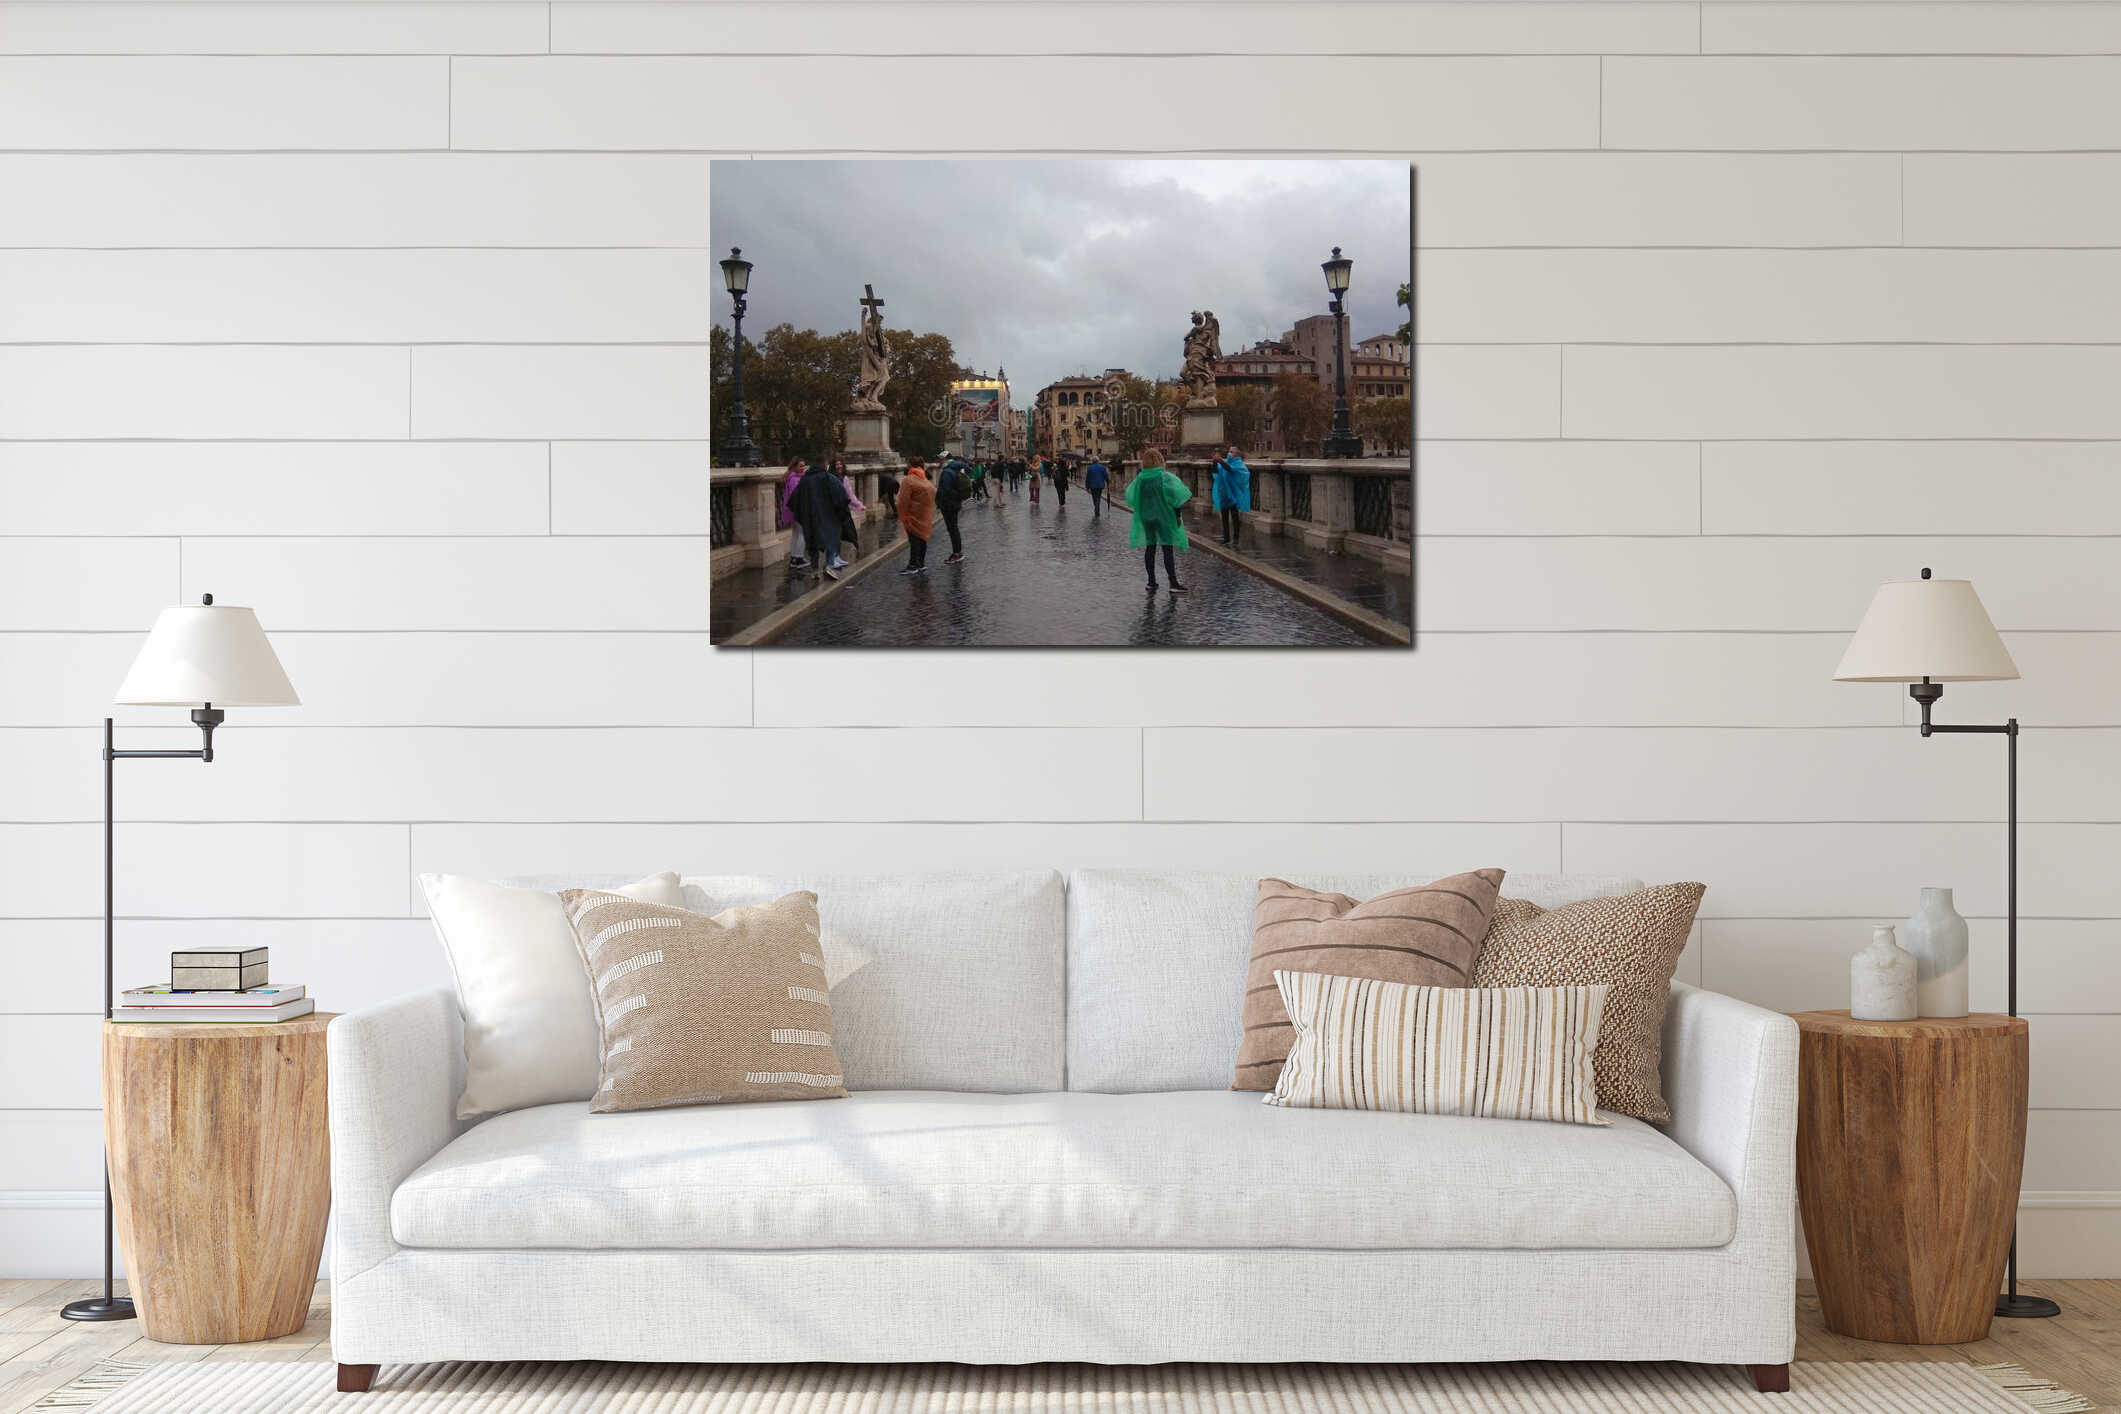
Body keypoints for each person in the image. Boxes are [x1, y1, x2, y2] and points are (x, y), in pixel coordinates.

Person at [1125, 447, 1192, 593]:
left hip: (1146, 517)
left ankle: (1151, 582)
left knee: (1150, 547)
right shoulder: (1164, 476)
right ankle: (1173, 583)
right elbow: (1176, 497)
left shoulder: (1140, 478)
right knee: (1167, 548)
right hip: (1164, 516)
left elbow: (1131, 496)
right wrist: (1178, 515)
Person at [789, 459, 853, 581]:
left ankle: (814, 570)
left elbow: (794, 500)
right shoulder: (829, 478)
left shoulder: (805, 480)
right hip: (828, 516)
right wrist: (840, 512)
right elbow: (842, 496)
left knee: (813, 543)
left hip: (810, 517)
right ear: (825, 466)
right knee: (832, 539)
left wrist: (802, 515)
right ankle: (828, 565)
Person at [896, 460, 935, 574]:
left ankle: (913, 565)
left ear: (911, 466)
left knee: (914, 540)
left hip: (913, 515)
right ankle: (921, 563)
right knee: (922, 539)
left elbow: (903, 500)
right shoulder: (925, 479)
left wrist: (903, 514)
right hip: (925, 515)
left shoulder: (909, 480)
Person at [1211, 444, 1252, 547]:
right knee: (1224, 517)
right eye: (1229, 451)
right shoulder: (1226, 462)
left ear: (1237, 454)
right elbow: (1216, 472)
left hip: (1234, 495)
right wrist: (1214, 462)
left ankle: (1236, 538)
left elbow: (1230, 469)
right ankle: (1226, 538)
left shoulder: (1239, 464)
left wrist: (1220, 460)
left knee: (1234, 517)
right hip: (1224, 495)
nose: (1229, 453)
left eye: (1231, 452)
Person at [832, 458, 863, 571]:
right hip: (835, 510)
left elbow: (850, 495)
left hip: (841, 509)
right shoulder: (833, 478)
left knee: (839, 534)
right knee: (835, 534)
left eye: (840, 464)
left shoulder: (844, 478)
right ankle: (833, 558)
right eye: (836, 464)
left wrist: (859, 505)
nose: (839, 466)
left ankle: (836, 557)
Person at [935, 458, 969, 564]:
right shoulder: (955, 470)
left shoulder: (947, 472)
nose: (939, 461)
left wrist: (940, 501)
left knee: (952, 529)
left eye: (941, 459)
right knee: (954, 528)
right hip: (954, 503)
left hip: (948, 504)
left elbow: (945, 490)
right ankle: (958, 552)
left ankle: (957, 553)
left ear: (945, 460)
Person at [778, 459, 808, 570]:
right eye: (800, 466)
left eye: (804, 466)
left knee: (796, 533)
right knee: (802, 533)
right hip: (798, 510)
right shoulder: (795, 479)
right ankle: (799, 558)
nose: (803, 468)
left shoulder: (792, 477)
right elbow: (797, 496)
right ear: (795, 467)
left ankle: (794, 558)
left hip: (792, 510)